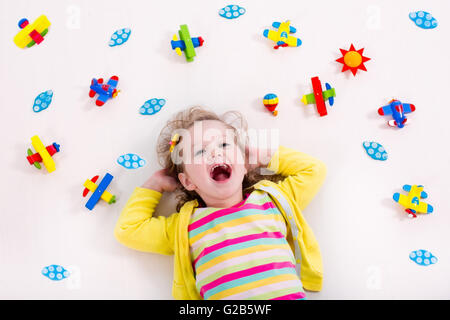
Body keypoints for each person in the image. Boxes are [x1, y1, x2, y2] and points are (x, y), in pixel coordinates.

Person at [114, 106, 327, 300]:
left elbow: (313, 170)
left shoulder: (273, 200)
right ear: (187, 181)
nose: (216, 152)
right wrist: (154, 185)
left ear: (244, 163)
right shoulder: (185, 228)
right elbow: (128, 230)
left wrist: (264, 157)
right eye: (200, 151)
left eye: (224, 144)